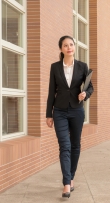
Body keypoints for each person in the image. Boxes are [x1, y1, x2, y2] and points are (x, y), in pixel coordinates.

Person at [46, 35, 94, 198]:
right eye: (65, 45)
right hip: (59, 111)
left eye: (71, 44)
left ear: (74, 47)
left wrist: (84, 94)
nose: (69, 47)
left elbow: (90, 88)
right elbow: (51, 91)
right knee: (64, 145)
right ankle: (67, 183)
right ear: (61, 49)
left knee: (75, 145)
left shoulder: (82, 66)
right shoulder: (55, 67)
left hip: (76, 111)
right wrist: (48, 114)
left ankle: (71, 177)